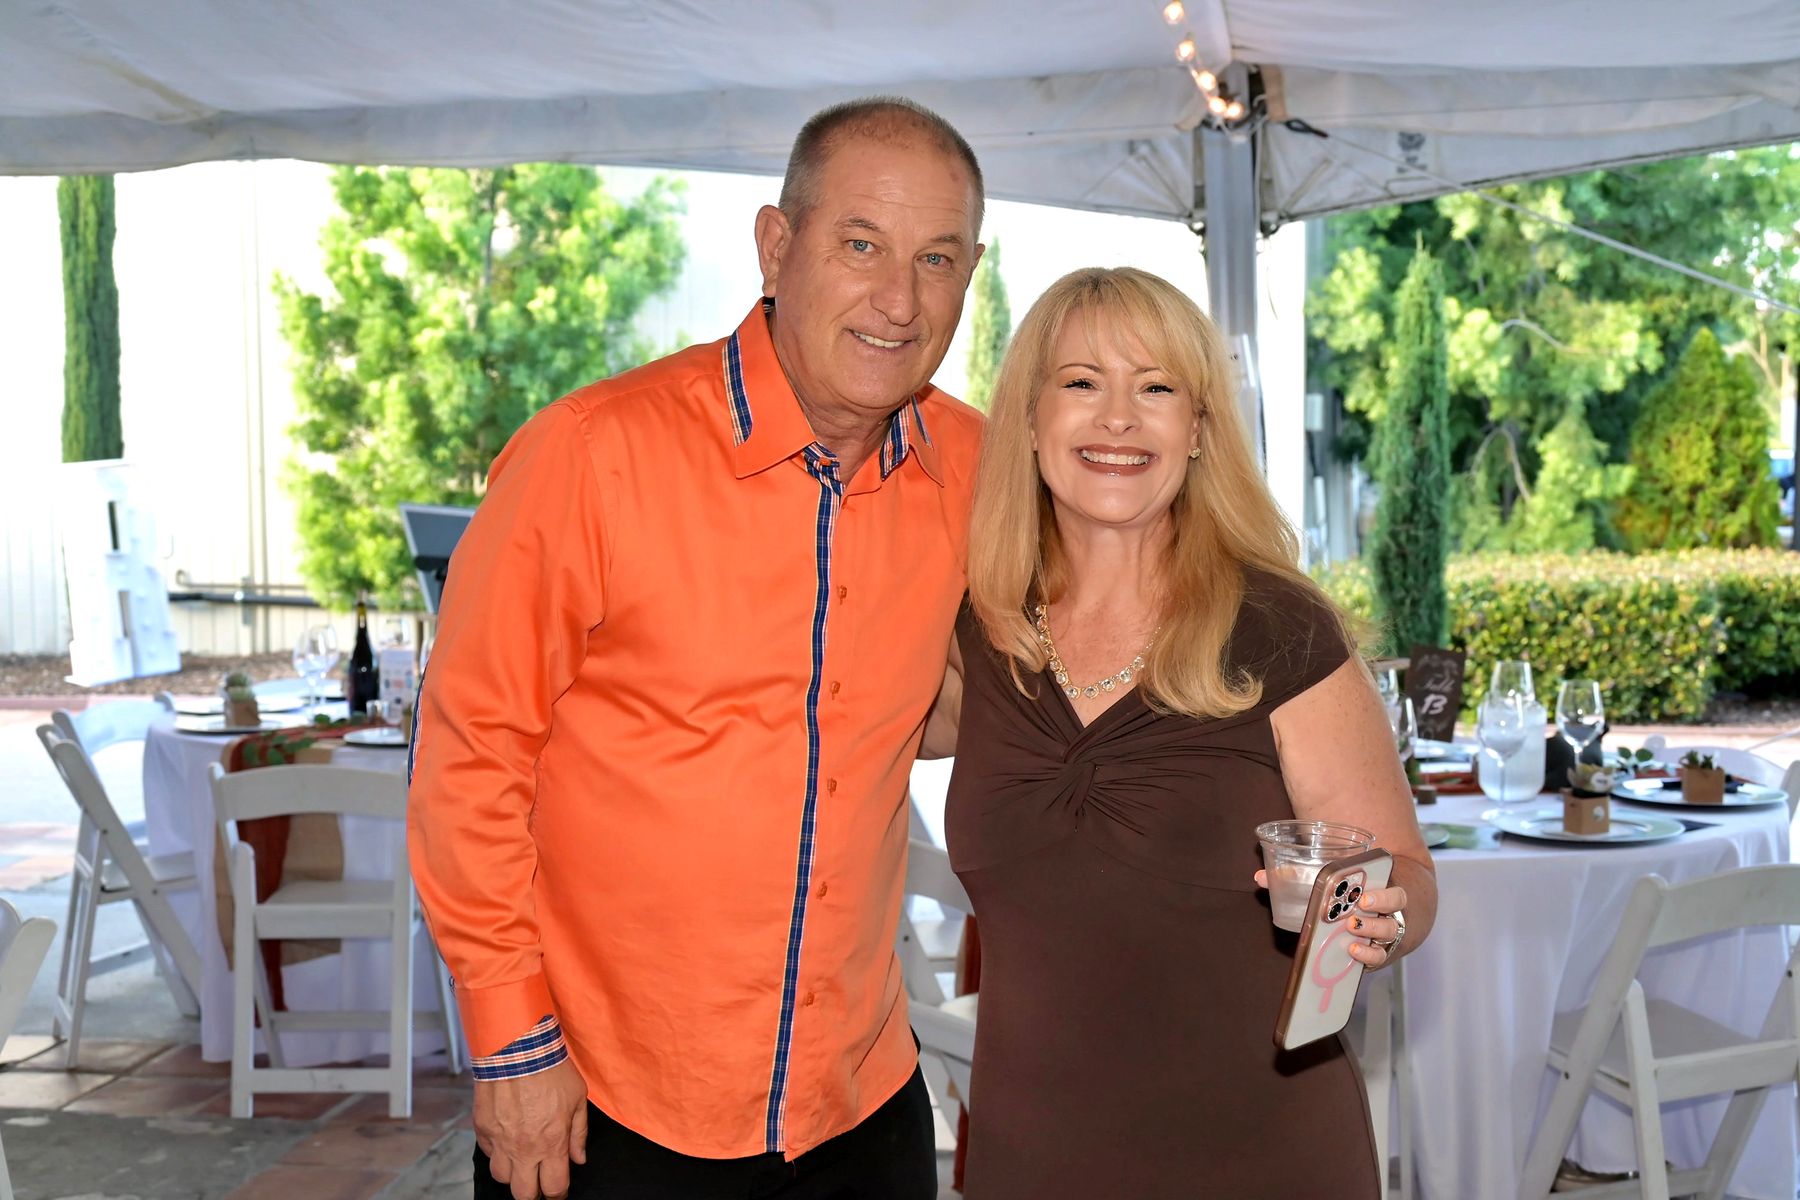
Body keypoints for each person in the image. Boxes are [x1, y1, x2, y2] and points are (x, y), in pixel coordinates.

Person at [408, 96, 987, 1200]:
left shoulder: (975, 472)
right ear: (777, 246)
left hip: (858, 1103)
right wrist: (512, 1043)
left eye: (937, 259)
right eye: (860, 244)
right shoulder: (590, 456)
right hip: (607, 1107)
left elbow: (1032, 674)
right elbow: (467, 758)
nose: (900, 300)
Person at [924, 267, 1438, 1198]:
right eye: (1082, 382)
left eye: (1156, 387)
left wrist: (1379, 919)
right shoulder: (980, 630)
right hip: (1032, 1154)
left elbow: (1404, 869)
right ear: (1030, 418)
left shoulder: (1280, 628)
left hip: (1259, 1154)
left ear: (1197, 429)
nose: (1119, 418)